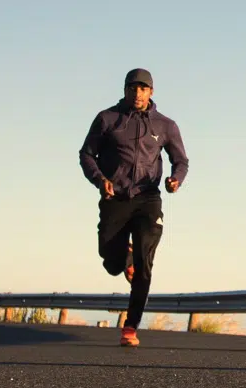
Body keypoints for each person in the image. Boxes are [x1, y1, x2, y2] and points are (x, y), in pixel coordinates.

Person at [79, 68, 189, 346]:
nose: (137, 93)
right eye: (132, 88)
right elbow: (86, 154)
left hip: (148, 199)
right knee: (111, 261)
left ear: (151, 92)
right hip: (115, 198)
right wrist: (100, 180)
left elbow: (181, 160)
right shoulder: (107, 119)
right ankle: (122, 258)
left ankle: (131, 327)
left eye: (143, 89)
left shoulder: (165, 125)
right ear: (125, 90)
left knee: (145, 262)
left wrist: (177, 179)